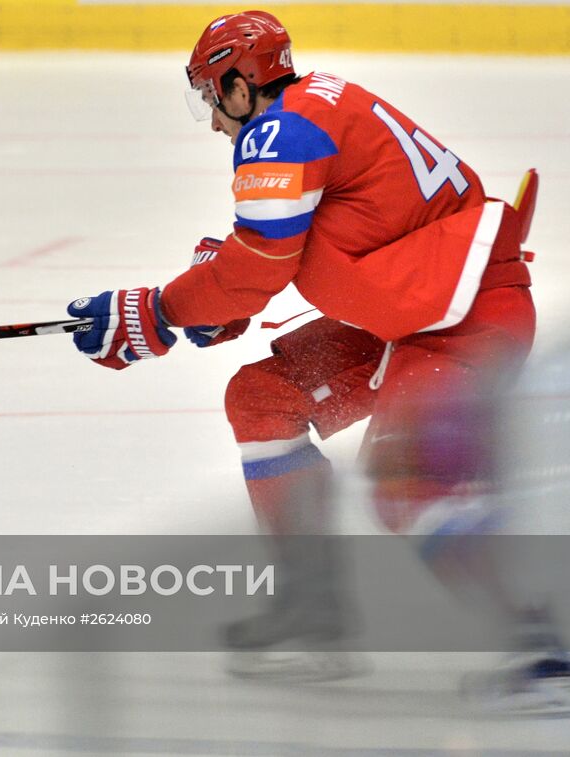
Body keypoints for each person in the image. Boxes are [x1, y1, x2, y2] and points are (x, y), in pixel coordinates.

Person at [64, 11, 567, 711]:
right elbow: (277, 258)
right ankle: (313, 606)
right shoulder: (315, 105)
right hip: (421, 312)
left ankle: (546, 649)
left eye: (213, 96)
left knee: (405, 483)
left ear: (241, 85)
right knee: (262, 399)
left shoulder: (279, 132)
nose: (213, 120)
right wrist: (211, 300)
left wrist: (161, 309)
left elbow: (258, 265)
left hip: (463, 320)